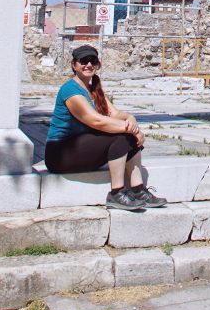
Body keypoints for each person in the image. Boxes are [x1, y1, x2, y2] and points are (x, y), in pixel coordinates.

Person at [45, 44, 166, 211]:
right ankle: (116, 193)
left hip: (80, 149)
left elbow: (114, 114)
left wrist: (131, 120)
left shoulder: (93, 87)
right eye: (83, 61)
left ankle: (138, 190)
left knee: (128, 137)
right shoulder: (70, 90)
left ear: (98, 64)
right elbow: (96, 121)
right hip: (60, 153)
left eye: (92, 61)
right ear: (74, 65)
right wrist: (131, 130)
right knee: (122, 137)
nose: (88, 65)